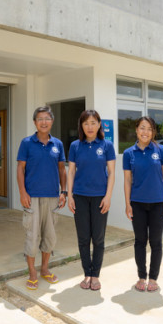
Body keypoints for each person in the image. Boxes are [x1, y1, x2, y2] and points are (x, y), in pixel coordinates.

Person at [17, 106, 67, 290]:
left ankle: (45, 269)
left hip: (52, 197)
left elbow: (62, 169)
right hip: (32, 197)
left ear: (52, 121)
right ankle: (32, 272)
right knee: (32, 235)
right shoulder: (27, 143)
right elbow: (20, 169)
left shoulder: (58, 144)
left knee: (50, 236)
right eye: (40, 119)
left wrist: (64, 192)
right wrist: (22, 192)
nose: (44, 122)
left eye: (47, 118)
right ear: (35, 122)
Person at [67, 110, 116, 291]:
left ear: (99, 124)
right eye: (86, 123)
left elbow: (111, 173)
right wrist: (70, 195)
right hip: (79, 196)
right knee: (83, 238)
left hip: (99, 198)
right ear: (81, 125)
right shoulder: (75, 146)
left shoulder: (107, 145)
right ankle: (86, 273)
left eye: (93, 122)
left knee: (98, 238)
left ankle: (95, 275)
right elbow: (71, 172)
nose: (90, 126)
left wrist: (108, 196)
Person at [123, 116, 163, 292]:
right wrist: (128, 203)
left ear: (153, 132)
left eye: (149, 129)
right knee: (139, 241)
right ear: (137, 130)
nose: (146, 132)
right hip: (137, 203)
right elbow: (127, 180)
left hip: (158, 203)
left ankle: (153, 278)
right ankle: (141, 277)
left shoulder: (161, 151)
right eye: (142, 128)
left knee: (156, 242)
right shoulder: (129, 153)